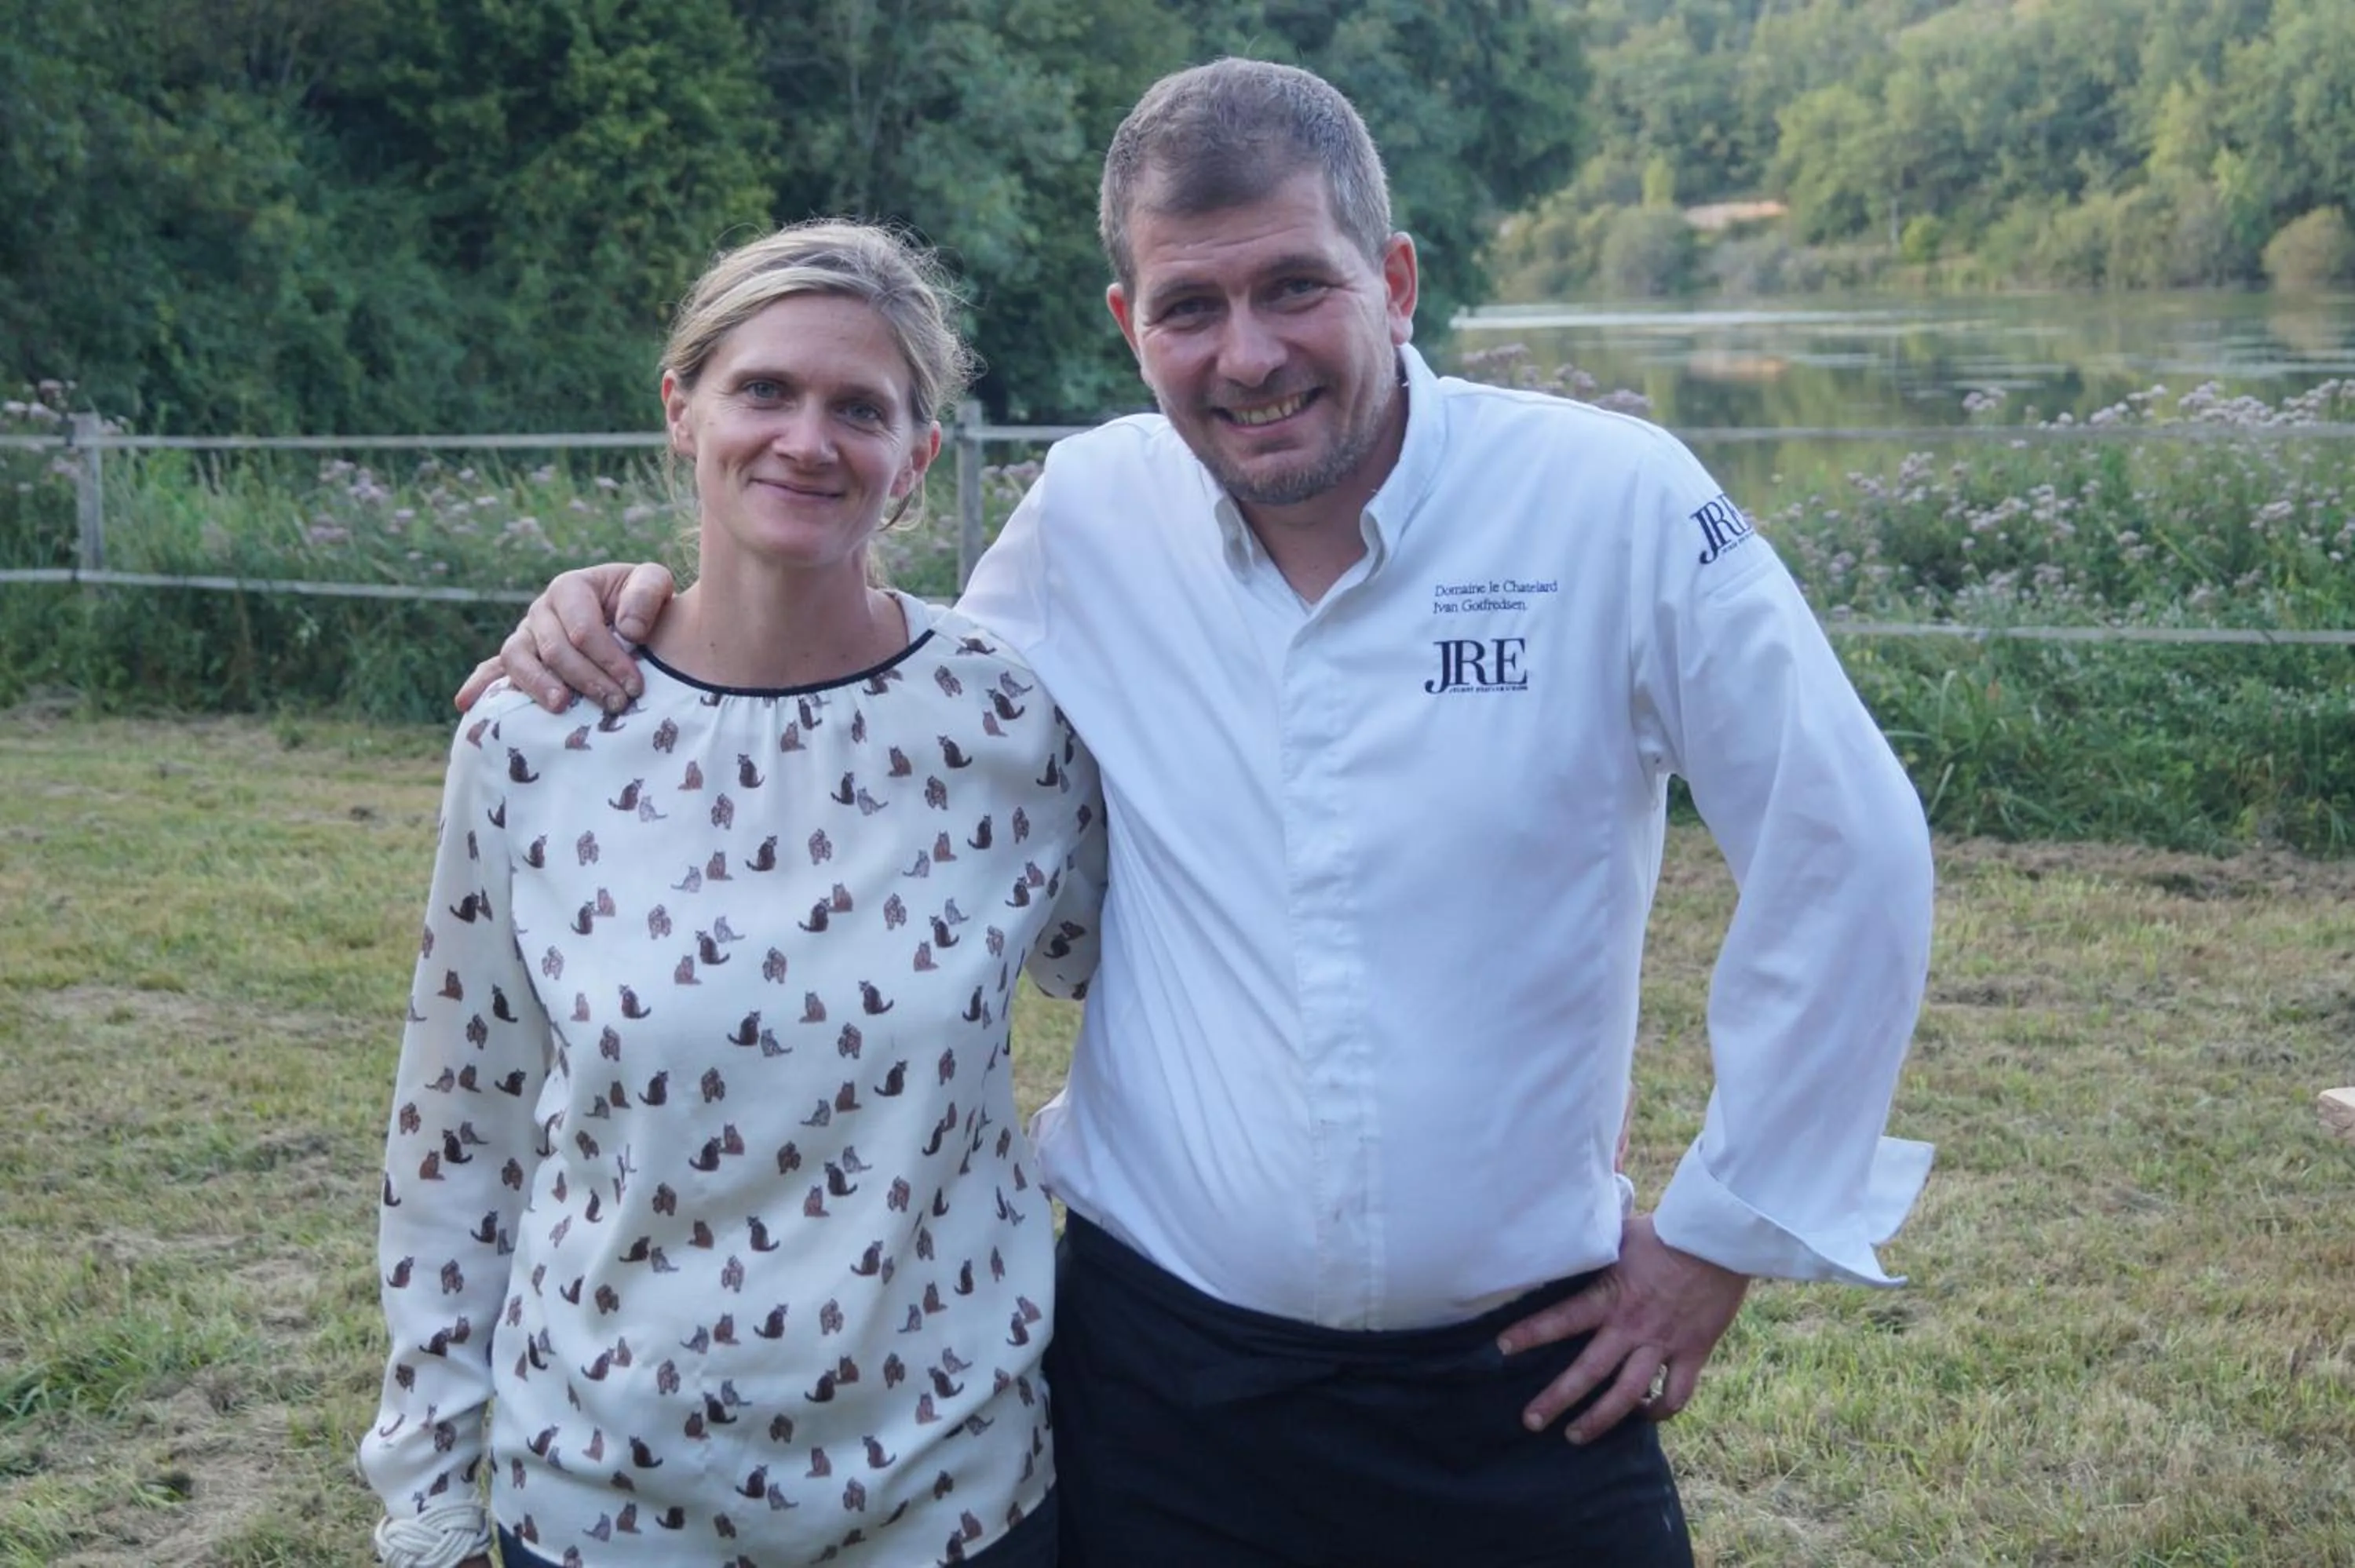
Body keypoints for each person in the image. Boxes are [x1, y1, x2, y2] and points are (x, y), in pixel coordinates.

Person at [461, 59, 1936, 1568]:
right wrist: (629, 610)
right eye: (1189, 308)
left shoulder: (1608, 501)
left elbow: (1850, 848)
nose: (1249, 356)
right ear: (1129, 326)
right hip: (1165, 1391)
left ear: (1397, 280)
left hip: (1523, 1391)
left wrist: (1717, 1234)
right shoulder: (1092, 514)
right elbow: (881, 704)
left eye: (1297, 286)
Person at [363, 220, 1104, 1568]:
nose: (807, 441)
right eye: (764, 389)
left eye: (859, 408)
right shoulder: (534, 737)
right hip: (602, 1498)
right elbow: (456, 1129)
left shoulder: (1012, 722)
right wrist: (428, 1487)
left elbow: (1147, 979)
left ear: (918, 459)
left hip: (949, 1497)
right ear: (682, 408)